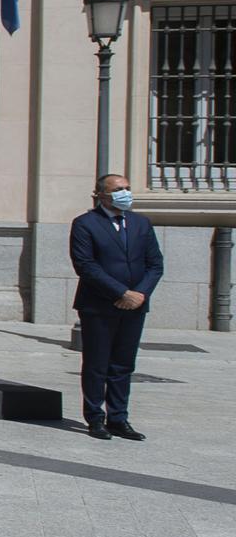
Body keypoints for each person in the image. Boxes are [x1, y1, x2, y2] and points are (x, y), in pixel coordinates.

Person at [70, 174, 164, 441]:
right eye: (118, 190)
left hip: (135, 306)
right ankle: (95, 418)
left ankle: (119, 418)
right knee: (97, 364)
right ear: (101, 195)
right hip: (99, 305)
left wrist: (140, 294)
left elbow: (155, 264)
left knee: (123, 365)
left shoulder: (141, 224)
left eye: (127, 188)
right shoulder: (85, 224)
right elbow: (86, 266)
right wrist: (121, 292)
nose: (125, 193)